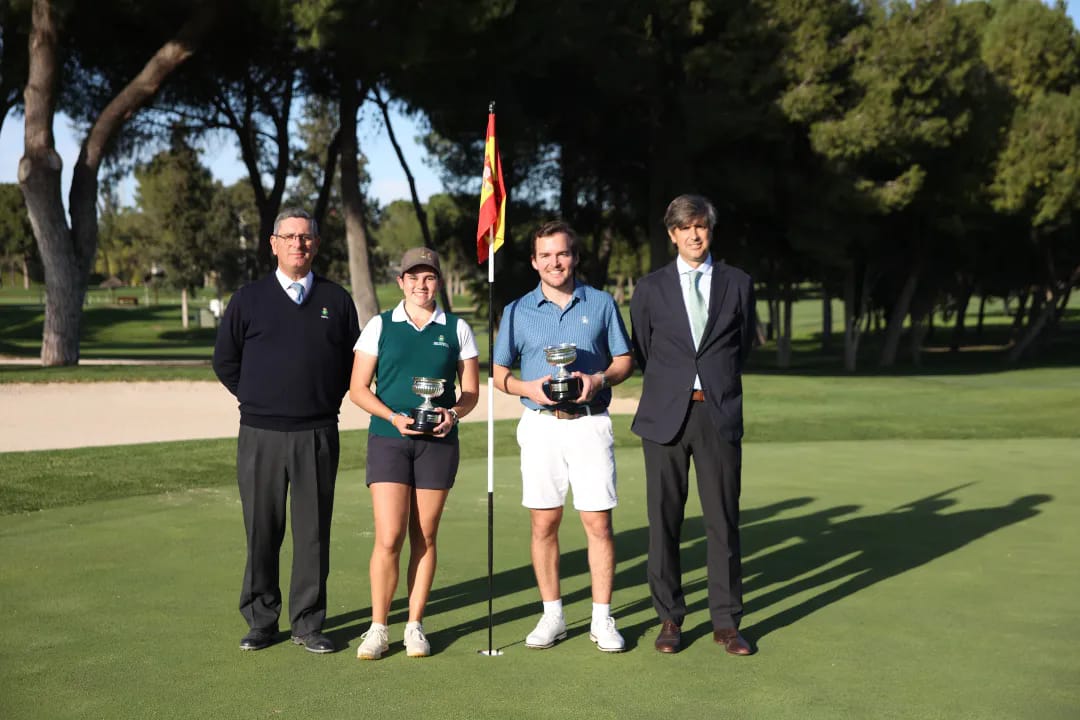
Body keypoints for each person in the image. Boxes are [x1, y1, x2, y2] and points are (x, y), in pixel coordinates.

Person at [213, 207, 360, 654]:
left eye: (307, 237)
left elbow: (350, 367)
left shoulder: (337, 301)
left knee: (313, 532)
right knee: (262, 529)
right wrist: (259, 399)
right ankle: (261, 619)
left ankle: (307, 623)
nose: (299, 244)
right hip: (260, 433)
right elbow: (225, 361)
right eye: (290, 237)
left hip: (316, 433)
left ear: (316, 244)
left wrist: (319, 402)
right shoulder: (248, 299)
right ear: (273, 243)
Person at [493, 220, 633, 653]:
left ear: (574, 257)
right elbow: (499, 374)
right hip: (540, 425)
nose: (555, 262)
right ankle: (553, 615)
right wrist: (527, 388)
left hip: (590, 422)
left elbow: (625, 361)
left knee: (598, 523)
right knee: (544, 523)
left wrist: (598, 378)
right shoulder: (517, 310)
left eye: (563, 253)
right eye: (546, 255)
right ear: (534, 262)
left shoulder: (602, 302)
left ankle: (601, 618)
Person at [629, 194, 756, 655]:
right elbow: (643, 348)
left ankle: (726, 622)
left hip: (717, 414)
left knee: (723, 521)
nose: (694, 235)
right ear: (672, 234)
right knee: (664, 521)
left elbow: (741, 347)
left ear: (709, 230)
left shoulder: (738, 283)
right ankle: (670, 618)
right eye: (685, 228)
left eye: (700, 227)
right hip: (664, 417)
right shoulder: (649, 288)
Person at [349, 247, 479, 660]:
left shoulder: (456, 328)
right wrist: (393, 417)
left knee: (424, 535)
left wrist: (452, 415)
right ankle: (378, 627)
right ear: (401, 282)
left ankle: (414, 625)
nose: (422, 285)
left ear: (438, 281)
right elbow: (357, 389)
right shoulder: (380, 325)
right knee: (389, 536)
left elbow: (471, 392)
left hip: (437, 442)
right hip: (388, 438)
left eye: (429, 278)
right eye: (413, 278)